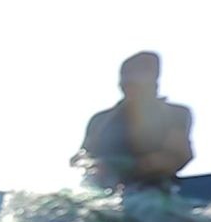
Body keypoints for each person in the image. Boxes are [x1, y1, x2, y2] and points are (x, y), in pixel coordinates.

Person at [72, 51, 194, 191]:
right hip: (101, 191)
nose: (132, 88)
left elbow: (179, 155)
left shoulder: (176, 113)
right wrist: (94, 166)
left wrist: (132, 166)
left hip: (153, 190)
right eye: (128, 82)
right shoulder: (100, 120)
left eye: (138, 82)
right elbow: (80, 158)